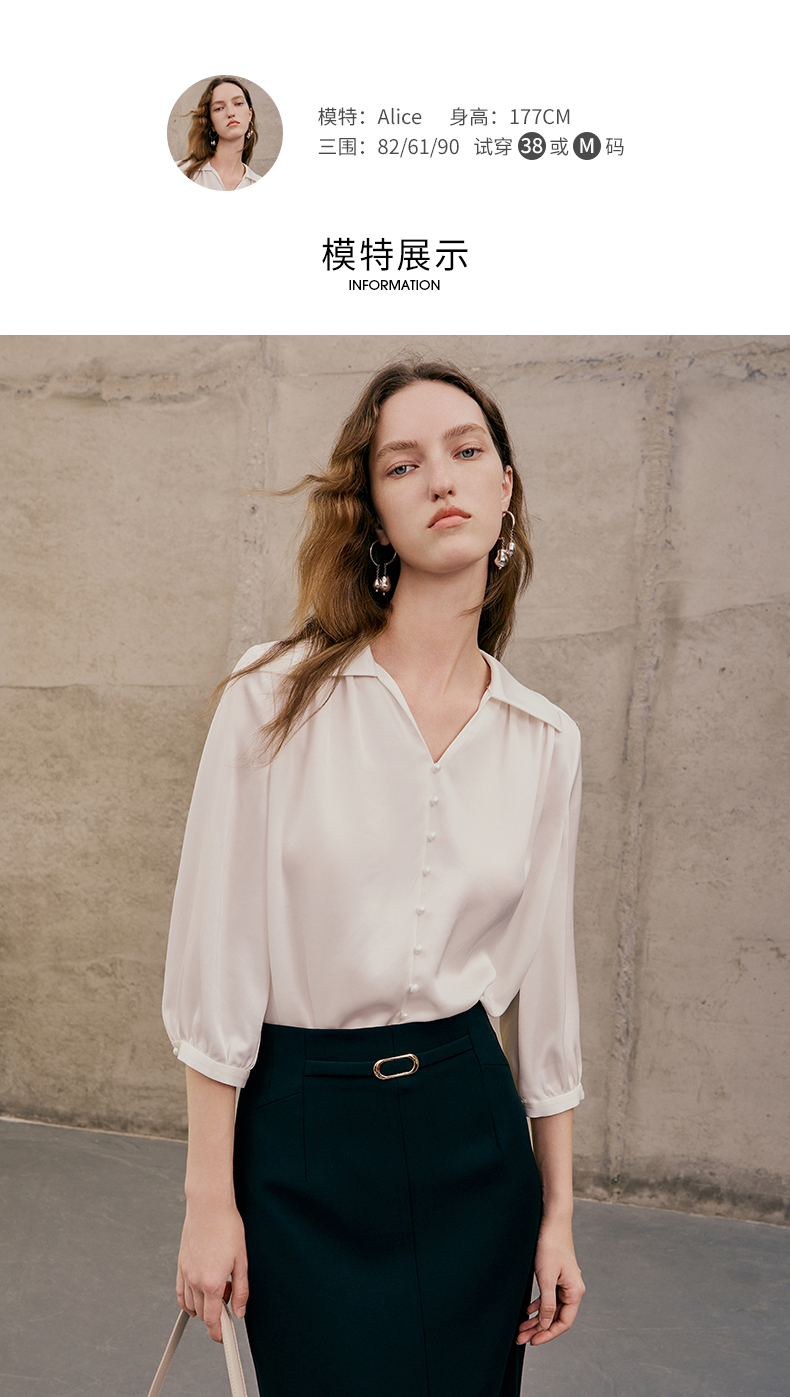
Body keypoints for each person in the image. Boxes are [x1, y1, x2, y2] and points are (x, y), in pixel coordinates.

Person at [162, 359, 586, 1397]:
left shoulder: (544, 739)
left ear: (504, 487)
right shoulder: (271, 700)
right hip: (303, 1132)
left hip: (472, 1134)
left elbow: (547, 987)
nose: (440, 477)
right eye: (402, 464)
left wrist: (559, 1213)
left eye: (466, 450)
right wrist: (208, 1199)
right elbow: (219, 961)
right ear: (374, 513)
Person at [177, 76, 262, 190]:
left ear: (249, 114)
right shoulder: (183, 172)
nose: (231, 113)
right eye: (219, 108)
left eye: (238, 103)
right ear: (211, 123)